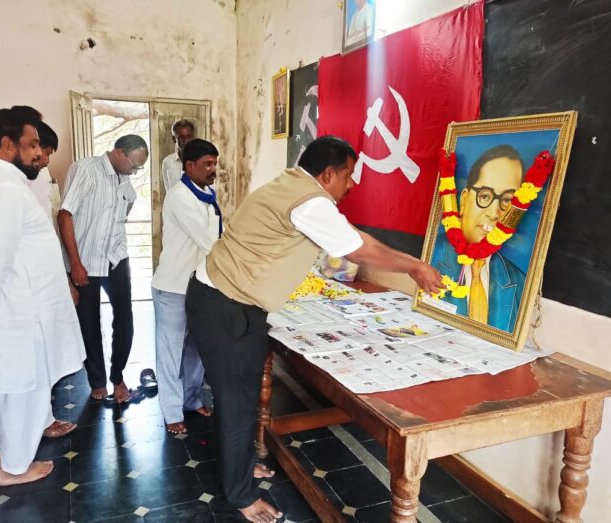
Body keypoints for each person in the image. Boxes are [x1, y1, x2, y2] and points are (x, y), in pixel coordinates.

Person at [185, 136, 443, 522]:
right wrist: (414, 266)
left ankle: (239, 466)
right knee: (237, 401)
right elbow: (359, 250)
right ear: (327, 175)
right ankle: (242, 496)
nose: (351, 184)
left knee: (237, 396)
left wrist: (408, 261)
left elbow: (355, 238)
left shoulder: (292, 185)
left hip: (221, 298)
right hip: (227, 306)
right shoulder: (310, 202)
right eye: (348, 175)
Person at [0, 108, 85, 486]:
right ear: (7, 144)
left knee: (2, 383)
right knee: (24, 387)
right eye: (32, 145)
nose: (38, 153)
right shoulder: (5, 188)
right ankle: (14, 468)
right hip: (21, 307)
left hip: (11, 303)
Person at [58, 134, 148, 402]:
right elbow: (65, 215)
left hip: (116, 257)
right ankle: (97, 380)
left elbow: (126, 206)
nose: (135, 171)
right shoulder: (86, 170)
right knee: (89, 322)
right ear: (119, 153)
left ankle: (117, 376)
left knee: (125, 320)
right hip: (85, 260)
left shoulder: (124, 176)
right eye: (134, 165)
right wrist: (75, 263)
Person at [10, 106, 78, 438]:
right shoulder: (17, 183)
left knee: (44, 354)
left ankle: (42, 415)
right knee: (32, 359)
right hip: (27, 285)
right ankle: (35, 424)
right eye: (41, 150)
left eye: (45, 151)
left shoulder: (39, 177)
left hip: (45, 278)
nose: (44, 158)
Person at [152, 139, 220, 435]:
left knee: (196, 349)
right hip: (173, 287)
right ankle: (171, 412)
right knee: (170, 351)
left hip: (199, 286)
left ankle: (191, 400)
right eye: (207, 164)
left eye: (215, 163)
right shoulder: (180, 196)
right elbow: (209, 242)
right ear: (189, 166)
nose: (213, 169)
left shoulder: (208, 195)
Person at [431, 145, 527, 332]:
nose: (494, 213)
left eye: (507, 200)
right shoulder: (431, 258)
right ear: (464, 200)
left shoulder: (520, 282)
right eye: (484, 196)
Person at [161, 119, 195, 191]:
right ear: (174, 139)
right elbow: (168, 192)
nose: (185, 141)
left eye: (189, 137)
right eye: (181, 137)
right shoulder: (167, 162)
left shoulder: (201, 162)